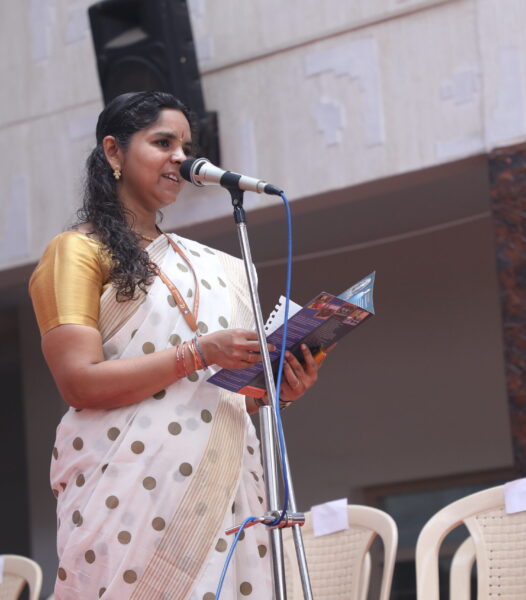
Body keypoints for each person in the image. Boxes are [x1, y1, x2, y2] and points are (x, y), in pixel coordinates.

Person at [29, 91, 323, 599]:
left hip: (223, 492)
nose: (181, 159)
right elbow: (78, 382)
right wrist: (199, 353)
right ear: (114, 151)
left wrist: (278, 391)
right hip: (126, 494)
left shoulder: (214, 266)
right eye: (163, 143)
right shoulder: (76, 252)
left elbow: (218, 397)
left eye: (186, 147)